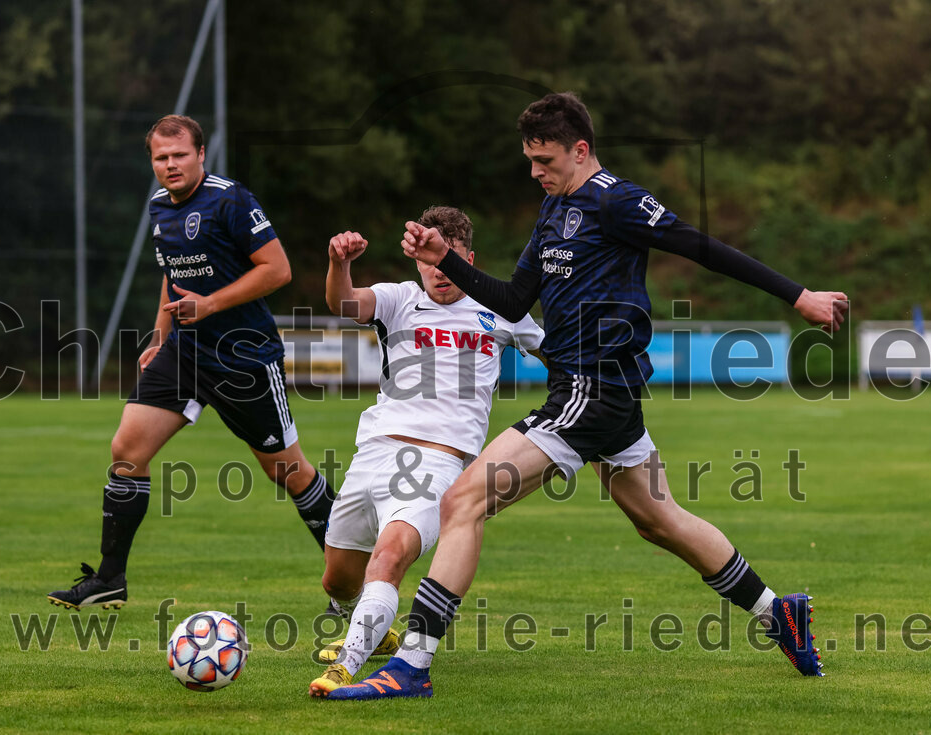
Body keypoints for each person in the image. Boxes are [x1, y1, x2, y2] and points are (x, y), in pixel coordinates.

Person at [343, 92, 849, 699]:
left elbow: (702, 247)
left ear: (580, 150)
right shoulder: (553, 211)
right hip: (600, 396)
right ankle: (777, 612)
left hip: (592, 388)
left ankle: (410, 667)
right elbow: (510, 301)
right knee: (660, 520)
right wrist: (445, 257)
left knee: (460, 503)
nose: (535, 172)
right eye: (530, 160)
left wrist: (799, 297)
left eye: (546, 159)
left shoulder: (618, 200)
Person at [48, 114, 335, 610]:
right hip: (184, 351)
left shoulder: (231, 199)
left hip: (244, 356)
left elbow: (278, 269)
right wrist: (160, 337)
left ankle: (353, 580)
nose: (170, 165)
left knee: (288, 471)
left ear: (201, 154)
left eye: (180, 155)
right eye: (161, 157)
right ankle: (110, 579)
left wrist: (211, 304)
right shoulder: (160, 207)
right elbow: (171, 278)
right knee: (127, 448)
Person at [308, 207, 545, 699]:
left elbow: (558, 352)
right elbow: (343, 302)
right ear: (417, 260)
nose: (440, 272)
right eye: (431, 262)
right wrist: (339, 262)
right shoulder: (400, 300)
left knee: (390, 556)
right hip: (373, 452)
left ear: (468, 259)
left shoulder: (501, 311)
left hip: (438, 462)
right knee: (337, 581)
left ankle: (345, 668)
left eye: (450, 260)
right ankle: (375, 631)